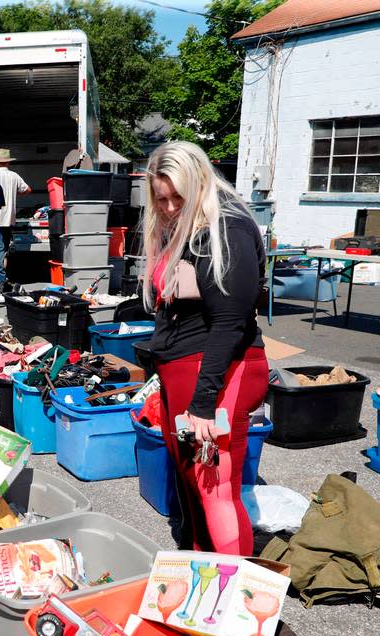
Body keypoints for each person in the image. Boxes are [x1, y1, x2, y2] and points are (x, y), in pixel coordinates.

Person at [140, 141, 268, 557]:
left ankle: (237, 599)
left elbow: (230, 323)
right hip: (183, 369)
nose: (171, 207)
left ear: (199, 183)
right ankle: (201, 574)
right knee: (192, 480)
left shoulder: (227, 227)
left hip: (218, 371)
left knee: (216, 488)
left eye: (179, 196)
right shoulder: (183, 224)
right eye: (162, 199)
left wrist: (203, 402)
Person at [0, 148, 31, 254]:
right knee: (4, 247)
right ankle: (2, 264)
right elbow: (28, 190)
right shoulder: (14, 176)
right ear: (8, 162)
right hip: (8, 218)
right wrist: (15, 193)